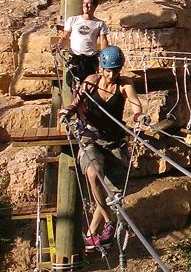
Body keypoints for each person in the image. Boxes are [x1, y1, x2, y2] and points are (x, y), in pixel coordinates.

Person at [58, 45, 148, 249]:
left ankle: (92, 234)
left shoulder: (125, 85)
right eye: (108, 70)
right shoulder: (92, 82)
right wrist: (68, 112)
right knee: (93, 173)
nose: (112, 74)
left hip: (114, 141)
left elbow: (135, 105)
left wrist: (139, 116)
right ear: (101, 68)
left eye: (116, 70)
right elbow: (77, 102)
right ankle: (109, 223)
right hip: (91, 138)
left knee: (113, 195)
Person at [54, 0, 110, 84]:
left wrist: (105, 56)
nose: (86, 5)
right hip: (75, 58)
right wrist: (59, 44)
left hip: (90, 59)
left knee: (89, 84)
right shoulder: (73, 20)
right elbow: (65, 36)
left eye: (89, 3)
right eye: (84, 3)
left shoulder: (100, 24)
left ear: (95, 6)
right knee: (72, 82)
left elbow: (103, 41)